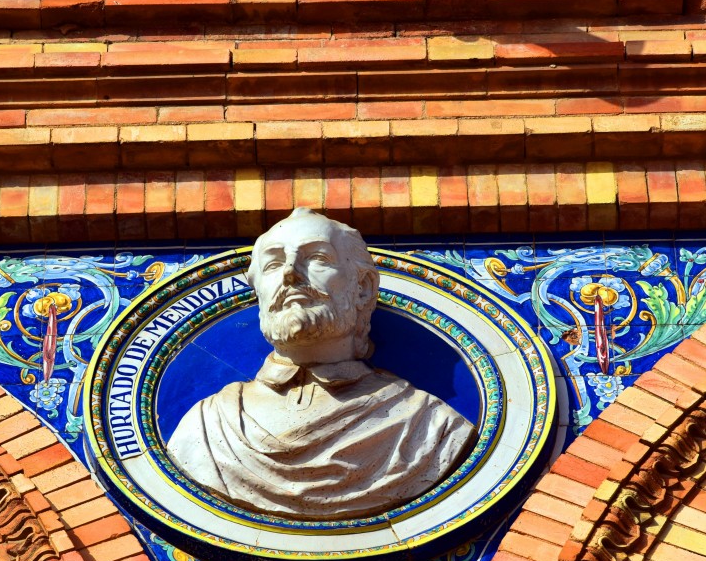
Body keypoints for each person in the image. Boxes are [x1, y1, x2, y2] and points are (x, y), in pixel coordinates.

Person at [167, 208, 475, 519]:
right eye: (273, 264)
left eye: (316, 258)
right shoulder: (207, 426)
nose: (290, 273)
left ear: (363, 287)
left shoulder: (429, 425)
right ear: (258, 291)